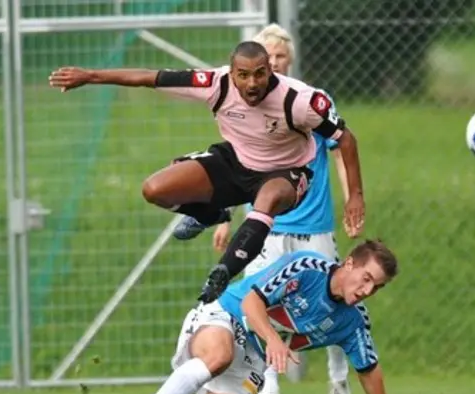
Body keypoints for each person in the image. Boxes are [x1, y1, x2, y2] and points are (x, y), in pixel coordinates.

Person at [48, 41, 366, 306]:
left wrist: (355, 196)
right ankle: (212, 213)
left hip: (287, 173)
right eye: (243, 75)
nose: (252, 83)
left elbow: (345, 138)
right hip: (235, 163)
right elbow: (149, 77)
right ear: (232, 72)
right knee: (155, 189)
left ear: (271, 70)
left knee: (267, 198)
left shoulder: (299, 101)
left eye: (259, 74)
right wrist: (90, 75)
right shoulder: (215, 83)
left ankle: (223, 272)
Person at [175, 23, 354, 394]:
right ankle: (268, 383)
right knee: (262, 300)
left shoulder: (306, 102)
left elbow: (340, 146)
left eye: (277, 58)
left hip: (314, 219)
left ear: (285, 62)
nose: (271, 63)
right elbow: (239, 171)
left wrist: (352, 199)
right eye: (265, 56)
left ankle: (339, 380)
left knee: (335, 300)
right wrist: (223, 219)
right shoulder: (242, 104)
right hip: (269, 227)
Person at [119, 239, 425, 394]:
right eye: (367, 278)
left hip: (254, 355)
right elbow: (252, 302)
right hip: (227, 314)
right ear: (349, 263)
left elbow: (368, 369)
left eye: (377, 287)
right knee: (219, 355)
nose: (367, 291)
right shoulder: (307, 267)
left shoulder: (354, 320)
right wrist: (273, 340)